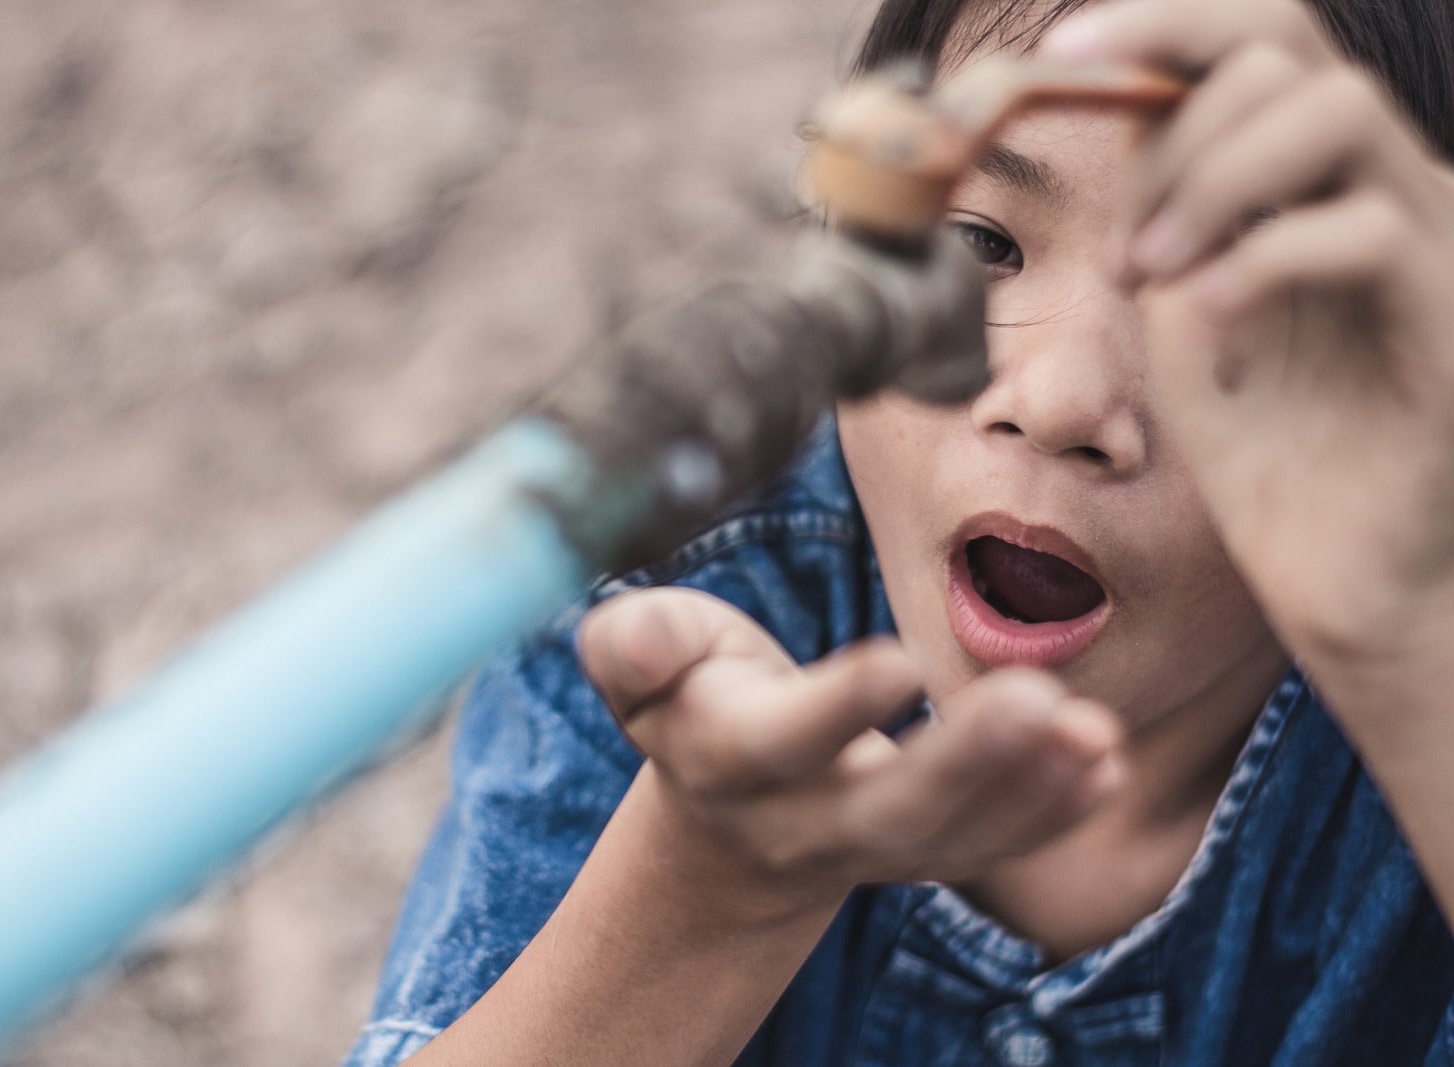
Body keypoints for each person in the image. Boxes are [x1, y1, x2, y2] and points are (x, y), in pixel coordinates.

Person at [343, 0, 1454, 1062]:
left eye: (1238, 292)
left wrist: (1408, 645)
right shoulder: (677, 592)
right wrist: (708, 886)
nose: (1057, 400)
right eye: (980, 238)